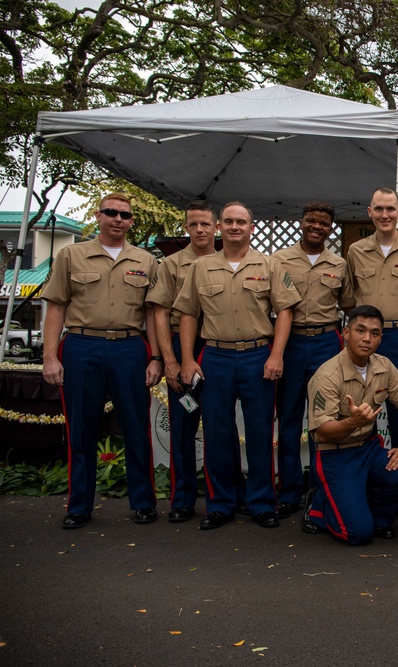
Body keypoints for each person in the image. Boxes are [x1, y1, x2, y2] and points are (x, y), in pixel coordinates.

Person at [174, 201, 300, 530]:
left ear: (251, 227)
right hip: (214, 356)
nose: (234, 227)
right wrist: (187, 359)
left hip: (257, 356)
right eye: (228, 221)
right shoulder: (201, 268)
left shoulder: (269, 265)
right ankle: (220, 504)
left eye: (241, 222)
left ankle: (261, 502)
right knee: (217, 433)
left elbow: (285, 310)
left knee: (260, 434)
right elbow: (188, 314)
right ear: (218, 227)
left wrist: (277, 355)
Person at [41, 193, 162, 529]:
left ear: (131, 221)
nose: (117, 220)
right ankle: (79, 506)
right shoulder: (72, 255)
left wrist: (155, 356)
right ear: (98, 216)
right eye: (111, 213)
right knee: (81, 429)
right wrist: (50, 356)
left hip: (129, 348)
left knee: (137, 429)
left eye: (124, 215)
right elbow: (56, 308)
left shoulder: (145, 260)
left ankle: (143, 502)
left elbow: (152, 312)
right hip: (82, 346)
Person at [301, 305, 398, 544]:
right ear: (346, 333)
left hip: (368, 448)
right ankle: (319, 507)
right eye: (360, 330)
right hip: (336, 454)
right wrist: (353, 423)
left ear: (380, 338)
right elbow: (322, 431)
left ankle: (378, 518)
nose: (367, 338)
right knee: (357, 534)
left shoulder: (384, 365)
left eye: (374, 333)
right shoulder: (327, 376)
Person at [272, 201, 351, 518]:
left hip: (325, 342)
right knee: (289, 420)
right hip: (289, 343)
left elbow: (347, 302)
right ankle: (290, 492)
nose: (317, 226)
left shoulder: (339, 263)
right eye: (311, 221)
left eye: (324, 222)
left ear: (331, 227)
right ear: (301, 222)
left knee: (324, 420)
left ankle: (322, 489)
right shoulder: (279, 260)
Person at [345, 187, 398, 455]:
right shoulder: (355, 251)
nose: (385, 214)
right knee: (358, 402)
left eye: (390, 209)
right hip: (362, 337)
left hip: (397, 337)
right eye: (379, 209)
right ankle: (364, 466)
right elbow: (348, 298)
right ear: (369, 212)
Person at [146, 201, 217, 523]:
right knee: (183, 428)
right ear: (187, 227)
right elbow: (160, 313)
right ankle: (183, 498)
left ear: (215, 226)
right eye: (193, 225)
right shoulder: (171, 265)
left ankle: (223, 496)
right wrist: (169, 361)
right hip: (179, 342)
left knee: (220, 427)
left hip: (216, 345)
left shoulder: (227, 261)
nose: (200, 230)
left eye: (205, 224)